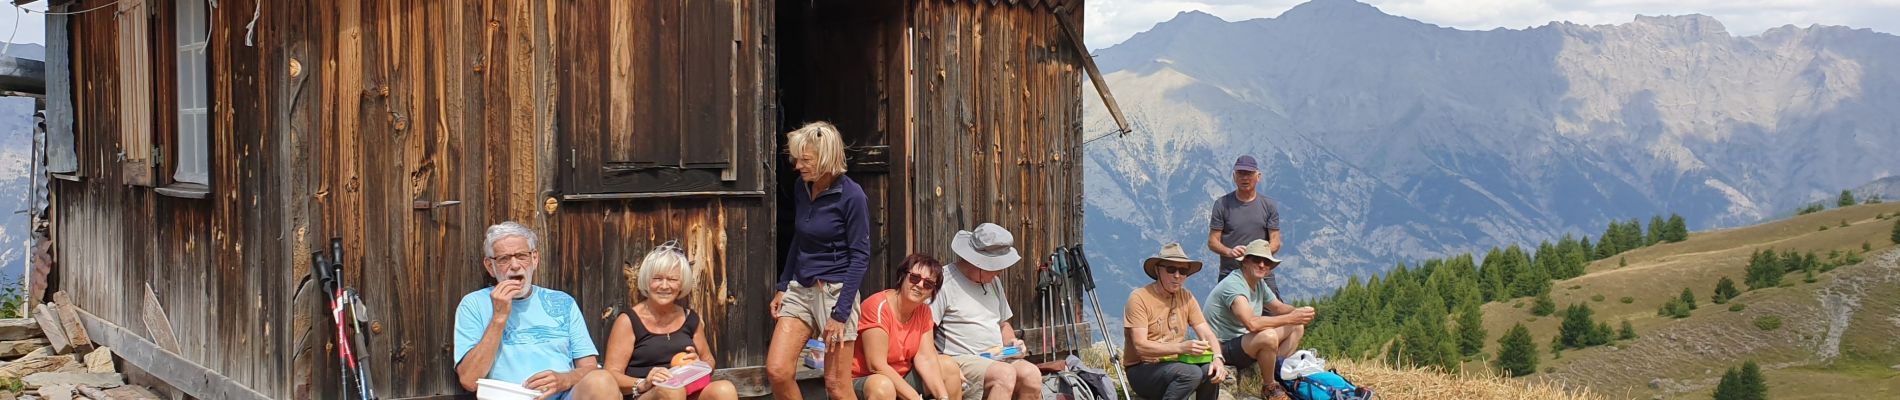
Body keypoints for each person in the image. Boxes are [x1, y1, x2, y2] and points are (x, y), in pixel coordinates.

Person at [768, 121, 873, 400]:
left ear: (827, 158)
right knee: (778, 371)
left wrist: (840, 314)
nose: (798, 166)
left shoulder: (852, 196)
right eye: (797, 159)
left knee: (837, 386)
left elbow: (860, 257)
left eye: (806, 160)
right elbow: (799, 240)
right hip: (801, 287)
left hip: (836, 292)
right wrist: (783, 285)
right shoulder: (802, 188)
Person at [453, 221, 617, 399]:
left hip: (565, 396)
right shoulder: (474, 304)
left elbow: (590, 368)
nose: (514, 265)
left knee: (602, 381)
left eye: (521, 256)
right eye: (504, 259)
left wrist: (565, 379)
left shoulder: (562, 302)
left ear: (534, 259)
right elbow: (469, 380)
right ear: (490, 266)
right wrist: (499, 318)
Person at [603, 242, 740, 400]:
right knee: (670, 391)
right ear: (647, 281)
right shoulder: (629, 320)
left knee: (724, 389)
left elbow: (708, 360)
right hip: (647, 394)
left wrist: (699, 364)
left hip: (687, 391)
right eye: (657, 279)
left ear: (681, 284)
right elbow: (611, 373)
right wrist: (643, 382)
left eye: (672, 279)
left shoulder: (690, 319)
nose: (664, 286)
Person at [931, 223, 1043, 400]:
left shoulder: (993, 282)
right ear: (976, 261)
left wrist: (1012, 343)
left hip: (996, 356)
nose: (998, 272)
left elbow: (1003, 324)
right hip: (959, 360)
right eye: (995, 267)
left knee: (1031, 375)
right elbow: (925, 332)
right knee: (1004, 375)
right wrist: (943, 367)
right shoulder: (944, 283)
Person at [1201, 239, 1311, 400]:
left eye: (1266, 261)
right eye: (1256, 260)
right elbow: (1252, 323)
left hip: (1243, 342)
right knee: (1268, 336)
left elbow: (1278, 307)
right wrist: (1291, 317)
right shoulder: (1234, 285)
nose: (1262, 265)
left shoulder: (1258, 283)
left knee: (1297, 326)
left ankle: (1275, 374)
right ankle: (1269, 387)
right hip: (1221, 346)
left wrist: (1300, 313)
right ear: (1245, 261)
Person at [1123, 243, 1229, 400]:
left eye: (1183, 271)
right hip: (1142, 369)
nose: (1177, 276)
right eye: (1171, 269)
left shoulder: (1187, 297)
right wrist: (1181, 347)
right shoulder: (1139, 298)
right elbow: (1140, 346)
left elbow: (1206, 332)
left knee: (1209, 370)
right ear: (1158, 270)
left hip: (1174, 364)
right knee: (1191, 373)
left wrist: (1218, 359)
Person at [852, 254, 958, 400]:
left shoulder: (924, 311)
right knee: (883, 386)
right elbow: (876, 365)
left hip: (901, 376)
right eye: (915, 278)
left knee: (949, 367)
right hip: (867, 379)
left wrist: (943, 397)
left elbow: (926, 357)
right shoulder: (877, 306)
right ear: (903, 276)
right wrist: (915, 398)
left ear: (932, 292)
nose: (920, 285)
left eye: (928, 284)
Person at [1207, 155, 1283, 292]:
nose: (1245, 178)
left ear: (1258, 176)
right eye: (1241, 173)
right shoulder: (1221, 204)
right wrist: (1229, 252)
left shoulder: (1269, 206)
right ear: (1234, 177)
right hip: (1230, 273)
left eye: (1249, 173)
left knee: (1274, 311)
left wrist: (1254, 256)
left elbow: (1276, 242)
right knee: (1230, 313)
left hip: (1262, 273)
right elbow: (1213, 241)